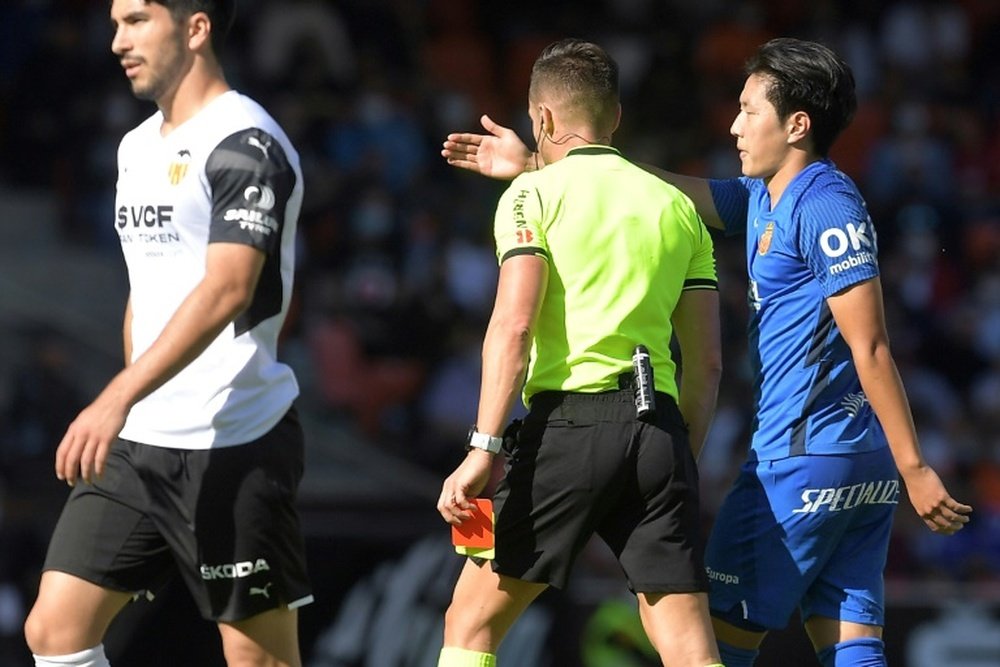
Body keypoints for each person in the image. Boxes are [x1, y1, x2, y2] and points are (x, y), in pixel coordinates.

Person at [440, 36, 973, 667]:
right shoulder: (753, 201)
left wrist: (917, 468)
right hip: (853, 466)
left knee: (709, 644)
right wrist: (537, 162)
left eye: (749, 111)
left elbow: (874, 345)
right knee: (849, 644)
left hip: (797, 460)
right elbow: (637, 189)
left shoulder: (826, 203)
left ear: (797, 124)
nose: (733, 125)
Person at [22, 2, 312, 666]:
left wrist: (115, 394)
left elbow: (229, 287)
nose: (117, 41)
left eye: (135, 21)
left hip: (235, 440)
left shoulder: (248, 141)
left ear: (196, 27)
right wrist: (133, 404)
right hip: (140, 442)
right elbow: (147, 287)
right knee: (55, 630)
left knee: (258, 659)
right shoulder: (135, 147)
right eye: (114, 23)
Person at [435, 38, 724, 667]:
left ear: (540, 120)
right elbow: (705, 364)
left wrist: (482, 448)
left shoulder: (529, 198)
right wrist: (680, 460)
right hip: (660, 430)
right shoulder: (678, 209)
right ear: (615, 117)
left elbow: (513, 324)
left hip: (570, 425)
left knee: (471, 623)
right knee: (688, 647)